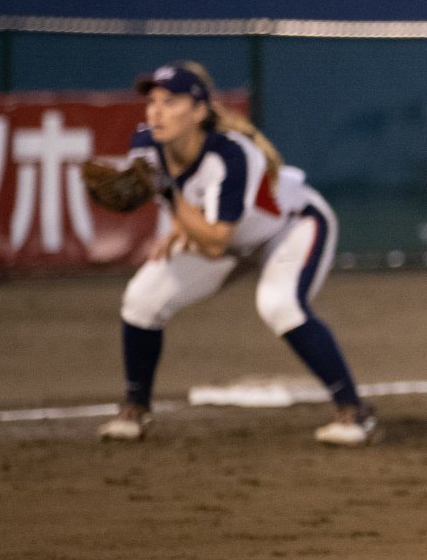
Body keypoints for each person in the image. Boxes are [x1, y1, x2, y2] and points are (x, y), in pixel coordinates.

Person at [97, 62, 376, 446]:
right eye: (153, 101)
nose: (155, 110)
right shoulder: (145, 144)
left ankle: (355, 413)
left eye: (170, 101)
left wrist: (168, 200)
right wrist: (178, 224)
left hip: (292, 227)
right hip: (233, 240)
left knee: (279, 304)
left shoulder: (230, 156)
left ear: (198, 112)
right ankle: (135, 409)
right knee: (141, 299)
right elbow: (193, 203)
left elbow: (214, 242)